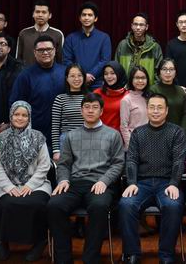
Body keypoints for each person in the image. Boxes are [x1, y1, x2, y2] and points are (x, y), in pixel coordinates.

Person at [47, 92, 125, 264]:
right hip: (74, 183)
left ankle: (90, 258)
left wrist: (104, 181)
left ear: (101, 111)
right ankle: (63, 259)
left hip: (100, 183)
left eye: (95, 107)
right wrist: (63, 180)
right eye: (87, 107)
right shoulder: (71, 136)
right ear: (81, 111)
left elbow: (118, 163)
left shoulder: (113, 135)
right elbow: (64, 164)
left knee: (99, 206)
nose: (90, 111)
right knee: (54, 205)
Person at [119, 93, 186, 264]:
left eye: (160, 108)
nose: (155, 111)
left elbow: (179, 161)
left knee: (172, 205)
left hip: (167, 184)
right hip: (142, 183)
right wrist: (131, 182)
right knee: (126, 204)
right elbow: (131, 160)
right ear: (147, 109)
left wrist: (174, 183)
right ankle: (132, 254)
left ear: (166, 111)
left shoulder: (176, 132)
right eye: (152, 107)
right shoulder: (138, 133)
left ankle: (166, 255)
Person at [0, 101, 51, 261]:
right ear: (11, 116)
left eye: (24, 115)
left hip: (37, 185)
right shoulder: (1, 138)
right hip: (9, 185)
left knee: (37, 204)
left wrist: (30, 185)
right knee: (5, 205)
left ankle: (39, 242)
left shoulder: (38, 137)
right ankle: (3, 242)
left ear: (29, 117)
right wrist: (9, 187)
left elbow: (45, 165)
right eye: (16, 114)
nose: (20, 118)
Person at [9, 35, 67, 148]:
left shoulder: (65, 73)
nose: (45, 52)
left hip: (62, 134)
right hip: (34, 135)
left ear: (55, 50)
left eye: (49, 49)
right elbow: (15, 105)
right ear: (35, 53)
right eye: (41, 50)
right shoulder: (25, 76)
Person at [62, 1, 112, 88]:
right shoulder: (70, 38)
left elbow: (105, 61)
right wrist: (81, 76)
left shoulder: (104, 38)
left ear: (95, 18)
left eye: (90, 15)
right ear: (80, 18)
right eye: (84, 15)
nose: (86, 18)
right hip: (76, 82)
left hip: (97, 83)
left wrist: (90, 75)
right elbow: (66, 61)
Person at [50, 64, 88, 161]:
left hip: (87, 141)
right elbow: (55, 127)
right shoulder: (60, 99)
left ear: (84, 77)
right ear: (67, 78)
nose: (76, 79)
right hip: (66, 142)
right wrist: (56, 150)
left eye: (79, 75)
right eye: (72, 76)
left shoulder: (90, 98)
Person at [115, 13, 163, 86]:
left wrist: (153, 89)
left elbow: (159, 73)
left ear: (146, 27)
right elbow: (117, 69)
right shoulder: (122, 45)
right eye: (135, 24)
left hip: (148, 89)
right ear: (131, 26)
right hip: (125, 89)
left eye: (141, 25)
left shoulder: (155, 47)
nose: (138, 27)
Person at [16, 0, 64, 67]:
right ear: (33, 14)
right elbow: (18, 59)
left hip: (50, 73)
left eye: (44, 12)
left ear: (50, 15)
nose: (40, 15)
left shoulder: (57, 34)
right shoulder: (24, 33)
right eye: (37, 12)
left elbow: (60, 60)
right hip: (27, 72)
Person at [149, 58, 186, 131]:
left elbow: (184, 114)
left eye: (171, 69)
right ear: (159, 72)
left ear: (175, 72)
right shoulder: (153, 90)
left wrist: (182, 132)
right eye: (164, 69)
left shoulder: (181, 91)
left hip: (178, 132)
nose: (168, 72)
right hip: (157, 131)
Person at [120, 66, 150, 149]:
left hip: (149, 142)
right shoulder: (126, 100)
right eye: (137, 78)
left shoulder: (149, 97)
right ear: (131, 79)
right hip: (134, 144)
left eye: (143, 78)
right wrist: (131, 146)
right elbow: (124, 126)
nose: (140, 81)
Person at [93, 61, 129, 131]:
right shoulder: (97, 93)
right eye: (106, 74)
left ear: (119, 74)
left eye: (112, 73)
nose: (109, 76)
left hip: (119, 135)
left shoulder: (127, 94)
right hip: (99, 133)